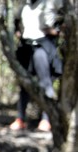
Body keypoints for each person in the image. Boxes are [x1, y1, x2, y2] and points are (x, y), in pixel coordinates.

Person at [9, 0, 63, 132]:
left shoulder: (51, 3)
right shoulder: (25, 6)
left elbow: (65, 17)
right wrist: (18, 32)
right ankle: (20, 119)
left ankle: (46, 119)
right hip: (27, 46)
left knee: (45, 82)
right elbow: (16, 20)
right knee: (24, 84)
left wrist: (56, 30)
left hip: (43, 46)